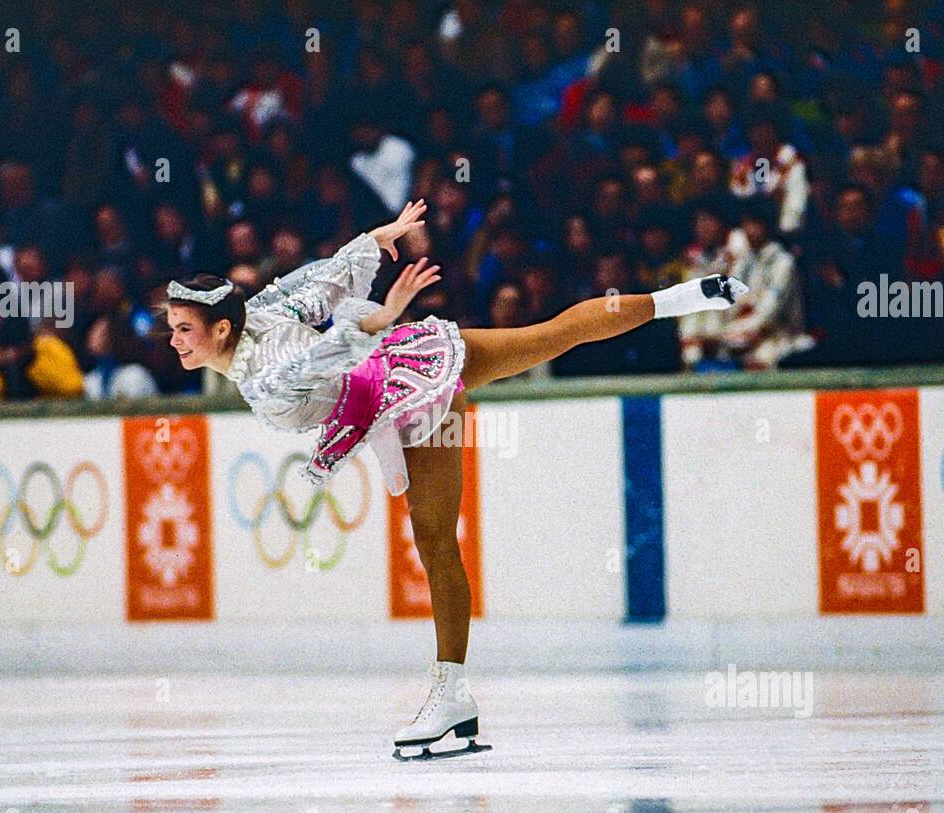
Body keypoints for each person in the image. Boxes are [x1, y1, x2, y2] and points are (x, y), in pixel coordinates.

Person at [164, 198, 747, 759]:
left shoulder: (261, 379)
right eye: (173, 329)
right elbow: (315, 284)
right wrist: (375, 241)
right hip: (412, 356)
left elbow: (316, 359)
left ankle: (451, 693)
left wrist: (378, 310)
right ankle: (687, 296)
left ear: (219, 330)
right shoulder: (262, 314)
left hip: (406, 394)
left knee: (437, 541)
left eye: (185, 330)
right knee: (549, 336)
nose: (173, 342)